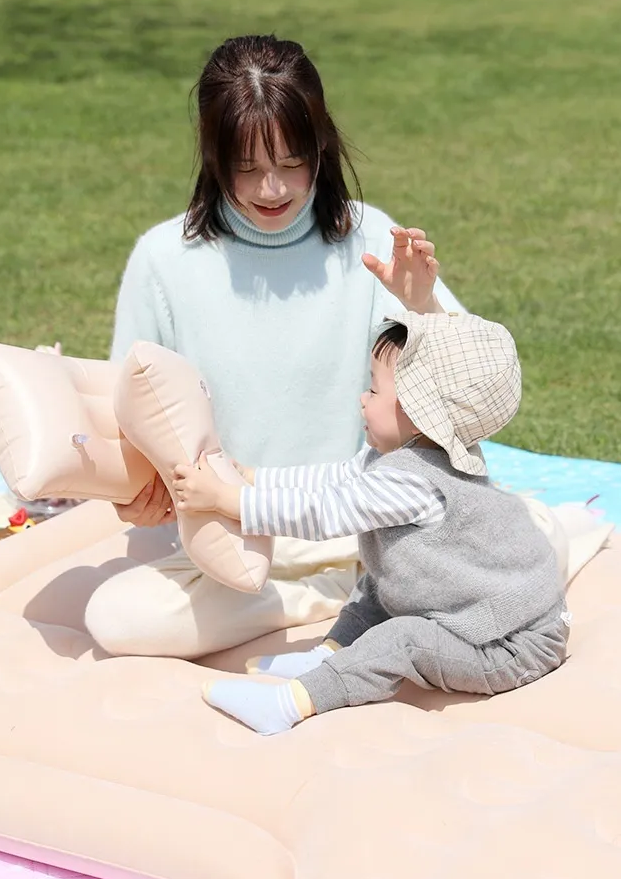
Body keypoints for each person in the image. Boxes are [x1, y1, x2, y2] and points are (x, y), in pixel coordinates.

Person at [84, 34, 466, 659]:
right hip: (232, 544)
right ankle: (342, 600)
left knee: (527, 537)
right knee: (118, 618)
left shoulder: (369, 238)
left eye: (291, 163)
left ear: (321, 147)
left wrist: (423, 307)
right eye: (246, 167)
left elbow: (473, 392)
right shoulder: (163, 259)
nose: (271, 189)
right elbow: (126, 416)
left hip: (366, 524)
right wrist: (136, 493)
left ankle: (357, 590)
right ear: (213, 154)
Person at [171, 311, 570, 734]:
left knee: (403, 639)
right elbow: (333, 479)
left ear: (420, 411)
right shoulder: (397, 457)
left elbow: (325, 511)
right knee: (376, 586)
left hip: (513, 644)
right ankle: (330, 654)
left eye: (375, 389)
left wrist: (229, 500)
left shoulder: (414, 482)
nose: (363, 398)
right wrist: (255, 478)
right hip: (474, 608)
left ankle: (290, 704)